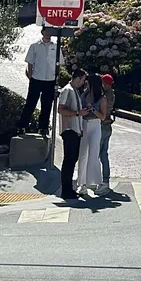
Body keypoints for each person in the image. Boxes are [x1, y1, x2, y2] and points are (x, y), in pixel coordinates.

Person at [18, 25, 62, 136]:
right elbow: (30, 62)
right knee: (30, 104)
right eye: (46, 31)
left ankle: (43, 128)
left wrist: (57, 77)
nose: (48, 34)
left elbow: (59, 64)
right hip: (37, 79)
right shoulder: (34, 46)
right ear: (42, 32)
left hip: (50, 80)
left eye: (49, 32)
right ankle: (23, 126)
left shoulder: (56, 47)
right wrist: (31, 76)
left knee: (46, 106)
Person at [58, 68, 88, 201]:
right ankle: (66, 190)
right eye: (82, 80)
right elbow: (61, 109)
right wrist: (77, 113)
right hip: (69, 129)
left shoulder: (74, 90)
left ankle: (69, 188)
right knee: (69, 160)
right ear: (77, 78)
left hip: (75, 130)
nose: (83, 83)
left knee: (72, 159)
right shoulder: (67, 90)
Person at [77, 73, 108, 197]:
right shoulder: (83, 95)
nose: (86, 83)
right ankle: (82, 184)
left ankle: (95, 182)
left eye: (88, 81)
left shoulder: (102, 99)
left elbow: (103, 117)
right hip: (84, 124)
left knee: (94, 154)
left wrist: (93, 110)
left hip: (95, 125)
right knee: (82, 154)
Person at [97, 72, 116, 196]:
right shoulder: (111, 94)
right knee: (104, 154)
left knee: (99, 154)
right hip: (108, 126)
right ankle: (105, 180)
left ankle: (102, 181)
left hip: (103, 126)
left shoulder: (105, 96)